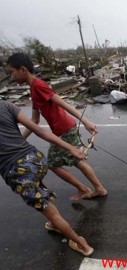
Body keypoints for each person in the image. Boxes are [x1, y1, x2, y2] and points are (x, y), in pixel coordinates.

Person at [7, 53, 107, 200]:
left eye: (12, 72)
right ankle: (96, 189)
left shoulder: (39, 86)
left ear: (22, 69)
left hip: (64, 129)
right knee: (76, 161)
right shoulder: (33, 89)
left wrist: (86, 121)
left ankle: (87, 189)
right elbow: (34, 120)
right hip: (63, 129)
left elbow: (63, 103)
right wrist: (19, 139)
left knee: (54, 164)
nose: (12, 77)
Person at [0, 100, 94, 256]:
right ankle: (53, 224)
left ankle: (82, 244)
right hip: (36, 159)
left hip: (18, 173)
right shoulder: (4, 105)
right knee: (37, 186)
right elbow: (39, 130)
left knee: (51, 212)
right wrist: (70, 148)